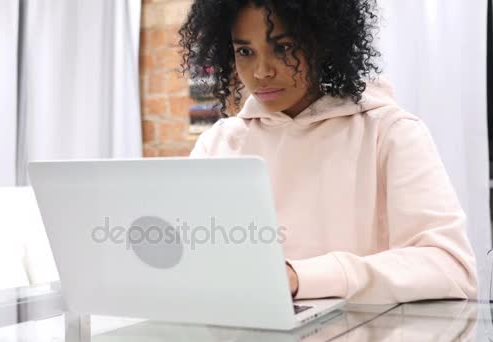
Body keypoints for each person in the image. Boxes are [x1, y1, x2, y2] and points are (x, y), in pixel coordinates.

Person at [179, 0, 477, 303]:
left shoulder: (390, 132)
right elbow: (189, 261)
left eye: (283, 47)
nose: (261, 71)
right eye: (245, 51)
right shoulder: (218, 144)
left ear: (323, 42)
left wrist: (299, 277)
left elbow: (450, 268)